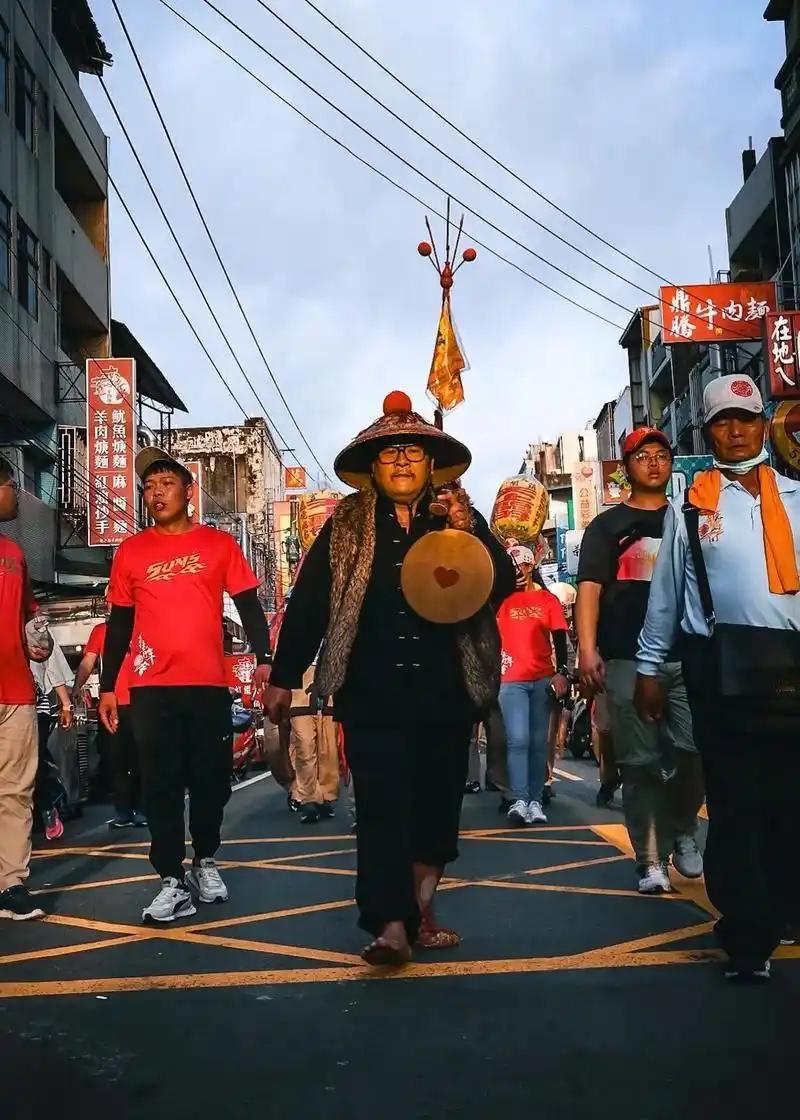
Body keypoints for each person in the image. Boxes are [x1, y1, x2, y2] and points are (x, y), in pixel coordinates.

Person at [265, 392, 515, 966]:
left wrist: (469, 531)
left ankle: (421, 909)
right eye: (389, 453)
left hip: (447, 689)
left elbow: (500, 584)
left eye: (413, 452)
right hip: (371, 690)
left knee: (435, 807)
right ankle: (391, 925)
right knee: (381, 809)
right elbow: (309, 604)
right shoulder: (346, 525)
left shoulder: (461, 517)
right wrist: (283, 676)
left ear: (431, 463)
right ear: (372, 468)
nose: (402, 461)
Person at [635, 375, 800, 982]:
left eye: (747, 419)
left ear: (765, 425)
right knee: (733, 804)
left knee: (788, 802)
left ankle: (783, 908)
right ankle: (745, 938)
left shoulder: (797, 496)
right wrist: (650, 666)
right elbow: (666, 595)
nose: (736, 431)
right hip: (718, 670)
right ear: (706, 432)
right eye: (724, 421)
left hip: (791, 671)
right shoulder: (692, 505)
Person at [98, 447, 271, 924]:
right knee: (161, 784)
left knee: (212, 780)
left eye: (166, 484)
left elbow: (250, 604)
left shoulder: (218, 545)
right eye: (148, 486)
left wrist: (266, 657)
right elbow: (119, 626)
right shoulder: (131, 552)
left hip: (208, 687)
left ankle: (207, 859)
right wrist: (108, 686)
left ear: (188, 491)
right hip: (151, 689)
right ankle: (171, 878)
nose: (155, 493)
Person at [576, 427, 704, 894]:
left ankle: (684, 826)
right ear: (625, 467)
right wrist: (588, 648)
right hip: (627, 657)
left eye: (662, 455)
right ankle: (650, 859)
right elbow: (588, 588)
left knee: (695, 752)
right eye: (642, 456)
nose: (654, 462)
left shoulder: (692, 519)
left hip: (689, 653)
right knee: (640, 760)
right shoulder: (607, 526)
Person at [0, 454, 50, 920]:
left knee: (15, 790)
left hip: (15, 690)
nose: (16, 494)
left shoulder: (14, 555)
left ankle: (11, 885)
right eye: (12, 484)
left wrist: (38, 636)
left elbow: (29, 615)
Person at [496, 545, 570, 825]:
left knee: (539, 742)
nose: (519, 571)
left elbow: (560, 636)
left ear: (531, 566)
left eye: (523, 566)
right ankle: (519, 799)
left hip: (542, 678)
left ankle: (536, 800)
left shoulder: (546, 599)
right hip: (510, 679)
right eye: (513, 567)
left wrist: (563, 672)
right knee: (518, 740)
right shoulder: (500, 600)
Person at [73, 597, 146, 830]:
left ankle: (143, 809)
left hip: (142, 704)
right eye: (111, 603)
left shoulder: (143, 630)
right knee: (115, 760)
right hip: (111, 705)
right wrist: (75, 688)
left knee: (142, 759)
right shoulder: (101, 631)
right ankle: (123, 812)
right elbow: (88, 662)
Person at [30, 637, 75, 841]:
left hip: (33, 706)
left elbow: (52, 665)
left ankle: (48, 806)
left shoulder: (34, 627)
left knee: (32, 761)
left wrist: (66, 704)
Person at [289, 665, 339, 824]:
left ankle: (325, 796)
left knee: (329, 750)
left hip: (331, 685)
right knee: (304, 747)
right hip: (299, 689)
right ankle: (308, 800)